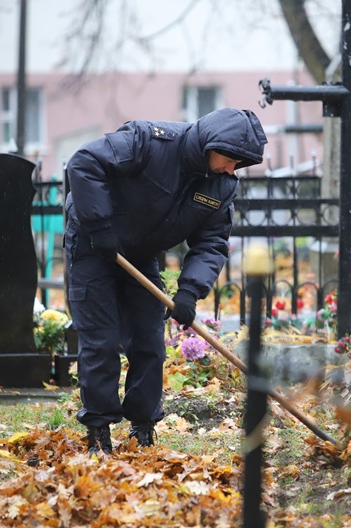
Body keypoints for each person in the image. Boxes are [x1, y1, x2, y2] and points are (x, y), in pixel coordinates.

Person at [64, 108, 267, 454]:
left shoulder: (221, 186)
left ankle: (142, 427)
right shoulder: (149, 141)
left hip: (141, 255)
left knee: (149, 343)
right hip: (93, 245)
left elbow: (212, 242)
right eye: (230, 160)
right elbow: (84, 163)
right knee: (101, 340)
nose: (231, 170)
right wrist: (98, 226)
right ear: (211, 144)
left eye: (238, 164)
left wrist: (189, 291)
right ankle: (99, 431)